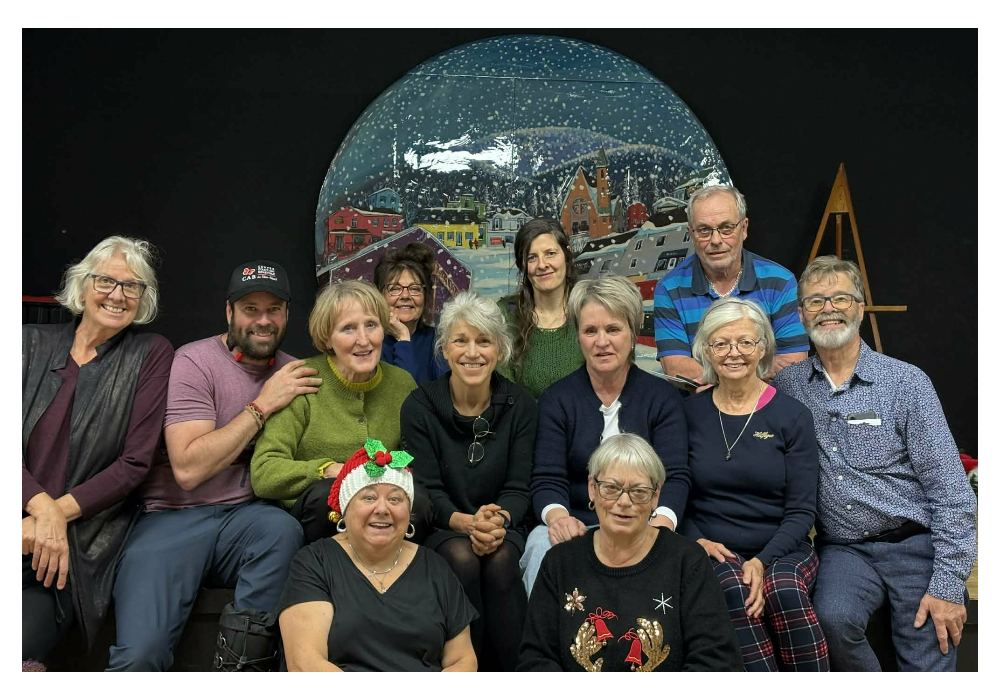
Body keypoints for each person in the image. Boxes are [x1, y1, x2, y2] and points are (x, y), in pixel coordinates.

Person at [108, 260, 318, 671]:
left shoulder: (296, 373)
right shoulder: (195, 362)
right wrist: (263, 404)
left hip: (245, 518)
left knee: (281, 530)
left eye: (273, 309)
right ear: (229, 312)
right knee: (140, 655)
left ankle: (241, 662)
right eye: (250, 309)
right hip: (172, 518)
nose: (263, 320)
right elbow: (187, 469)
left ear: (288, 314)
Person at [773, 256, 977, 672]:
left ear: (861, 307)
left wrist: (950, 583)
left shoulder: (906, 383)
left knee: (929, 645)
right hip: (844, 552)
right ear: (800, 315)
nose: (828, 308)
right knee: (832, 619)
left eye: (840, 298)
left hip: (915, 546)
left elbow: (952, 492)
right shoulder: (786, 388)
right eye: (814, 301)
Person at [22, 236, 173, 670]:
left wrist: (53, 519)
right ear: (83, 285)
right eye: (107, 281)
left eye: (132, 287)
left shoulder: (150, 354)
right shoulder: (29, 344)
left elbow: (134, 463)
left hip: (71, 549)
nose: (118, 295)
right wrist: (41, 510)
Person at [680, 297, 828, 671]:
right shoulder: (687, 414)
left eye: (746, 342)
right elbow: (676, 493)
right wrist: (697, 539)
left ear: (762, 348)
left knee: (785, 591)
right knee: (734, 589)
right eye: (721, 343)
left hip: (783, 546)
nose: (734, 353)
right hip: (713, 547)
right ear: (706, 349)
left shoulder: (792, 416)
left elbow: (800, 511)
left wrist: (762, 561)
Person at [521, 275, 689, 595]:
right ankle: (544, 644)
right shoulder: (557, 399)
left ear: (632, 333)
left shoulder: (663, 399)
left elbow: (676, 476)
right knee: (541, 543)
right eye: (590, 331)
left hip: (643, 523)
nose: (602, 342)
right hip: (577, 521)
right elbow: (546, 477)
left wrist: (660, 525)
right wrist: (559, 519)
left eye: (613, 329)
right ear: (578, 337)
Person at [518, 433, 742, 672]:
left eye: (638, 491)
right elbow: (536, 659)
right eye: (611, 488)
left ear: (656, 496)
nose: (624, 501)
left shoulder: (688, 561)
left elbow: (716, 661)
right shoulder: (559, 562)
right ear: (592, 489)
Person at [400, 291, 537, 672]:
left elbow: (518, 488)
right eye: (461, 340)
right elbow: (425, 489)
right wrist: (466, 522)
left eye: (484, 341)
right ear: (444, 349)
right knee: (461, 556)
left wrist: (498, 521)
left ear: (500, 350)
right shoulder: (420, 406)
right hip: (443, 526)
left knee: (502, 557)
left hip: (502, 526)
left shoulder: (521, 405)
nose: (472, 352)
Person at [251, 280, 427, 544]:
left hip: (386, 509)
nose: (363, 340)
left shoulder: (402, 383)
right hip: (321, 518)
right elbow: (264, 472)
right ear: (326, 338)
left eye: (371, 325)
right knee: (328, 493)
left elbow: (417, 456)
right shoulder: (301, 380)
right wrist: (329, 469)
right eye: (348, 328)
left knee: (421, 500)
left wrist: (394, 470)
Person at [277, 442, 478, 671]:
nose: (383, 509)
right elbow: (305, 663)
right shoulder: (314, 563)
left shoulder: (435, 567)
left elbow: (463, 661)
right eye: (369, 498)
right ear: (345, 509)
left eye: (395, 499)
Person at [653, 185, 809, 386]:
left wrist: (717, 378)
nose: (716, 240)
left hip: (767, 409)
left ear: (743, 228)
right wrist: (751, 372)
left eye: (726, 228)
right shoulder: (669, 289)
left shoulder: (780, 281)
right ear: (691, 234)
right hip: (699, 410)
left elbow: (793, 363)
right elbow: (676, 368)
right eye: (704, 230)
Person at [499, 217, 584, 397]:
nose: (542, 264)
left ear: (567, 255)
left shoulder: (589, 311)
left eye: (550, 253)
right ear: (523, 266)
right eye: (532, 258)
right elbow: (503, 391)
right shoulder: (506, 315)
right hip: (524, 423)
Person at [374, 241, 448, 384]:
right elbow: (401, 394)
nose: (406, 296)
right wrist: (403, 338)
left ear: (426, 295)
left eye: (414, 288)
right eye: (395, 288)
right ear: (379, 295)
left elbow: (441, 397)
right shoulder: (370, 343)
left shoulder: (438, 342)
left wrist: (403, 337)